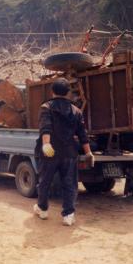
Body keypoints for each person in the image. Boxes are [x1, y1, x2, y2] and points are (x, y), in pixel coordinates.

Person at [33, 78, 94, 226]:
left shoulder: (46, 107)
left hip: (50, 153)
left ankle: (42, 209)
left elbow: (45, 127)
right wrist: (89, 153)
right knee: (70, 184)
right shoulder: (77, 111)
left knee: (44, 182)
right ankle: (68, 215)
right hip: (69, 153)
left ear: (52, 91)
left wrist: (46, 144)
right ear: (68, 93)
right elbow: (82, 134)